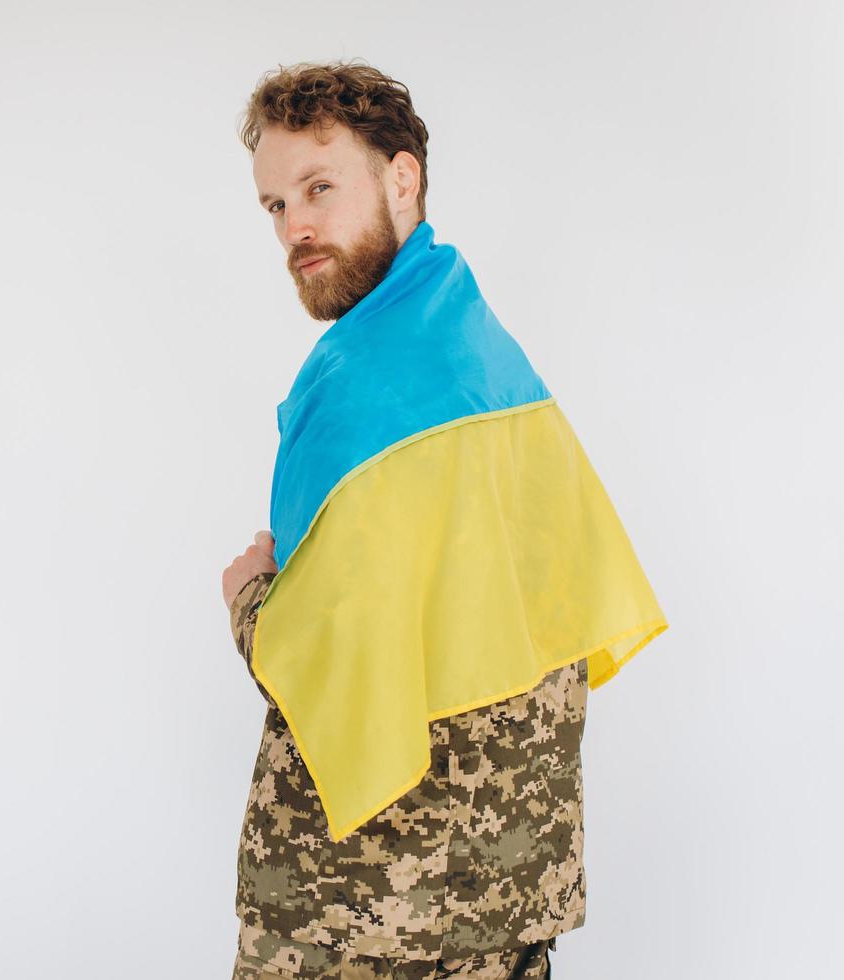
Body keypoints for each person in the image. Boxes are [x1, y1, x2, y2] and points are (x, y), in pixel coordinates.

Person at [220, 61, 585, 980]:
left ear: (402, 178)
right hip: (509, 896)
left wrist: (249, 598)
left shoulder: (355, 388)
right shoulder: (494, 361)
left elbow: (325, 667)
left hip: (359, 915)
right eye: (274, 206)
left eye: (319, 187)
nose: (295, 227)